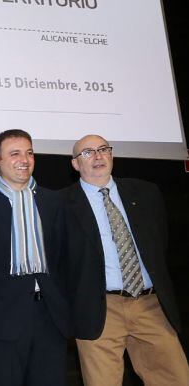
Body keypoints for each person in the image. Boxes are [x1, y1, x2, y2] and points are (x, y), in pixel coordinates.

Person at [62, 134, 189, 385]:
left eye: (103, 149)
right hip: (100, 310)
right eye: (87, 152)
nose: (98, 156)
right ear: (75, 164)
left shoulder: (145, 192)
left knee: (176, 379)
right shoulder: (61, 204)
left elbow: (159, 243)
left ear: (112, 155)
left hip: (151, 304)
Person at [0, 129, 70, 386]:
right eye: (14, 153)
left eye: (29, 153)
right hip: (2, 318)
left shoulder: (55, 202)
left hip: (51, 317)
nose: (24, 160)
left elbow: (65, 257)